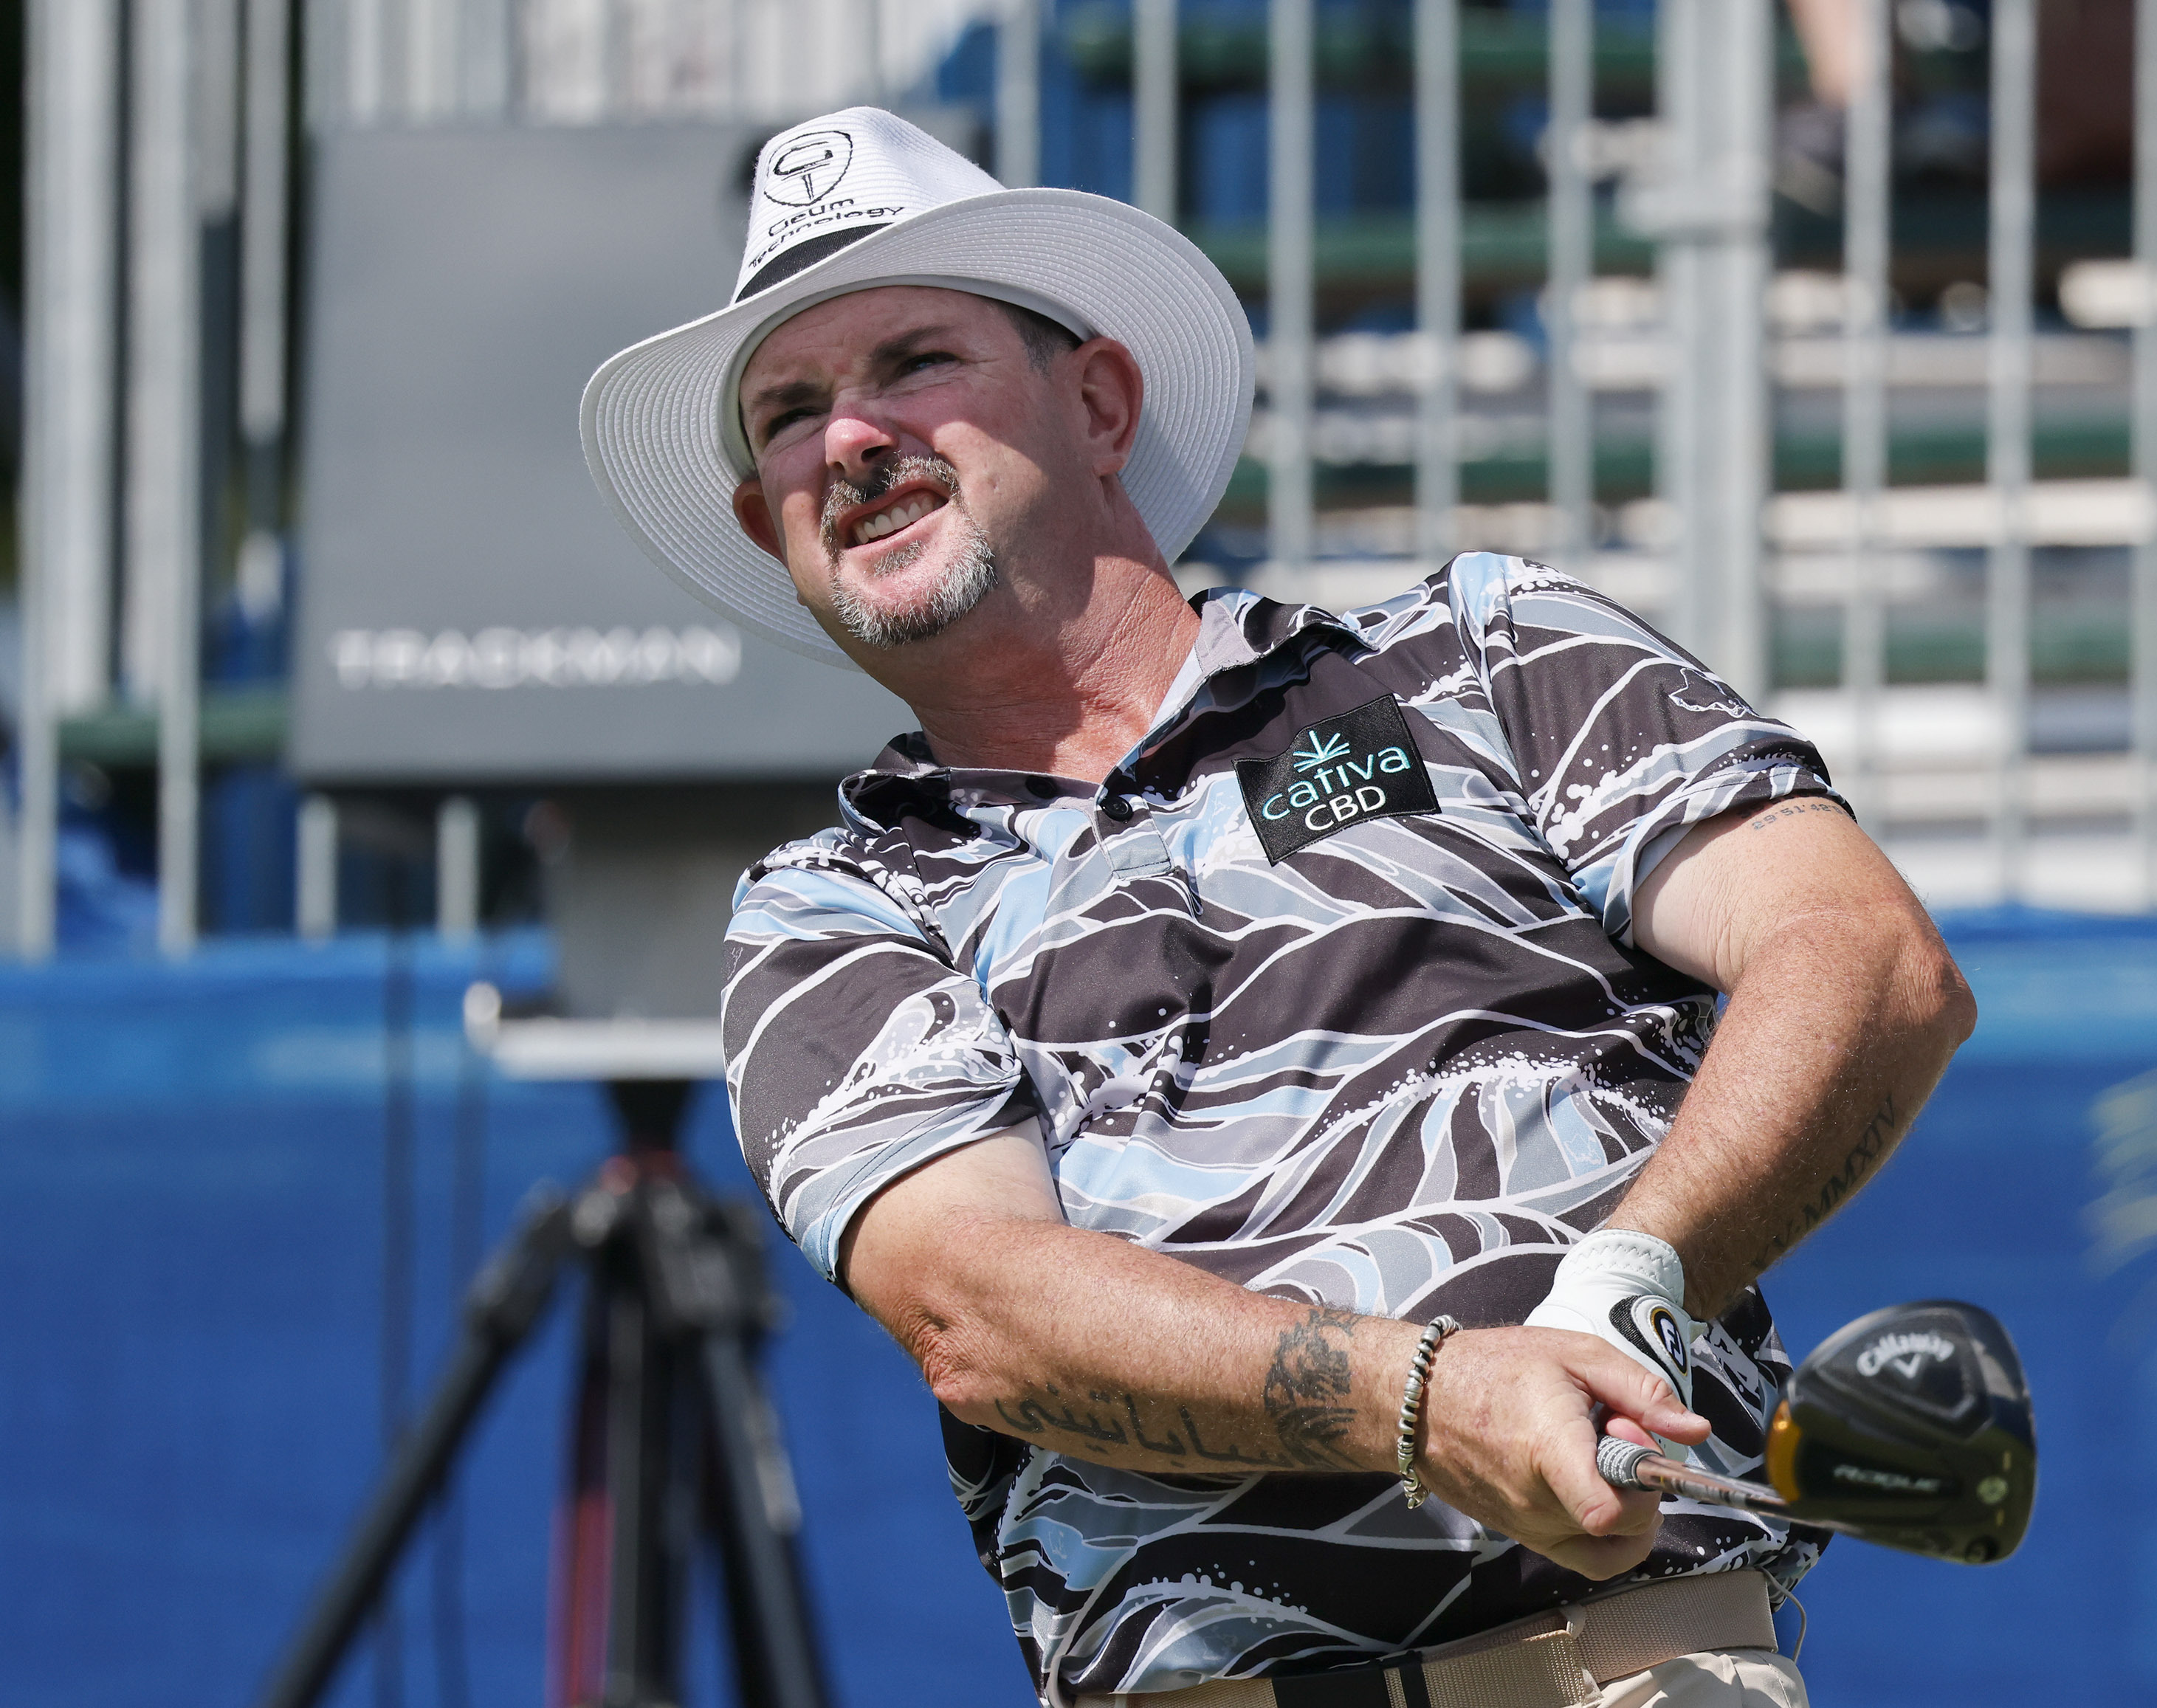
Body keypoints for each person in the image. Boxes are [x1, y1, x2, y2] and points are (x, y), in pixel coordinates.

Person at [582, 106, 1974, 1708]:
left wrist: (1628, 1278)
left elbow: (1859, 953)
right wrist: (1424, 1394)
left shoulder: (1482, 651)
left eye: (913, 362)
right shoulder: (824, 915)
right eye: (792, 412)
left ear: (1099, 399)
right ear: (773, 527)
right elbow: (985, 1311)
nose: (851, 436)